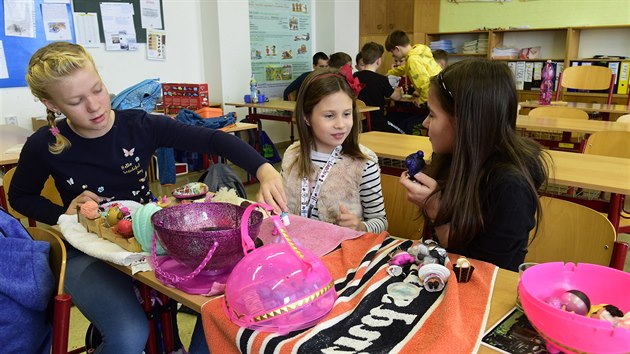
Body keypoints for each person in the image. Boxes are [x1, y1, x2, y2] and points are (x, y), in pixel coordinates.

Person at [9, 42, 287, 354]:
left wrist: (265, 170)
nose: (95, 106)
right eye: (76, 101)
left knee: (226, 302)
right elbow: (19, 196)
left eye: (98, 90)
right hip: (84, 250)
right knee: (128, 336)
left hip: (146, 239)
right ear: (52, 104)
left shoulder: (138, 125)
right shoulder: (43, 144)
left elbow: (212, 138)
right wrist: (63, 211)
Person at [399, 59, 549, 271]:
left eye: (432, 114)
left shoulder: (512, 187)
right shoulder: (455, 157)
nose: (424, 123)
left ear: (464, 122)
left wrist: (435, 209)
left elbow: (485, 272)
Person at [281, 65, 388, 234]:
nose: (340, 124)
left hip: (340, 253)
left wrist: (360, 226)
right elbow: (283, 209)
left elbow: (380, 222)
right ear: (306, 117)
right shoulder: (291, 155)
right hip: (296, 251)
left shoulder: (364, 165)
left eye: (346, 114)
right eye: (329, 116)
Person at [385, 30, 442, 108]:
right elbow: (404, 69)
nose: (392, 55)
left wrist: (421, 100)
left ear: (397, 48)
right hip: (439, 90)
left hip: (436, 95)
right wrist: (390, 73)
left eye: (392, 52)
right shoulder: (417, 53)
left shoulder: (412, 60)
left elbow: (425, 83)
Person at [354, 42, 402, 132]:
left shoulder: (354, 77)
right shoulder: (381, 79)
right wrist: (399, 91)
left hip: (359, 124)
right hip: (378, 123)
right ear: (378, 61)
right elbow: (396, 97)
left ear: (363, 59)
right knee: (403, 133)